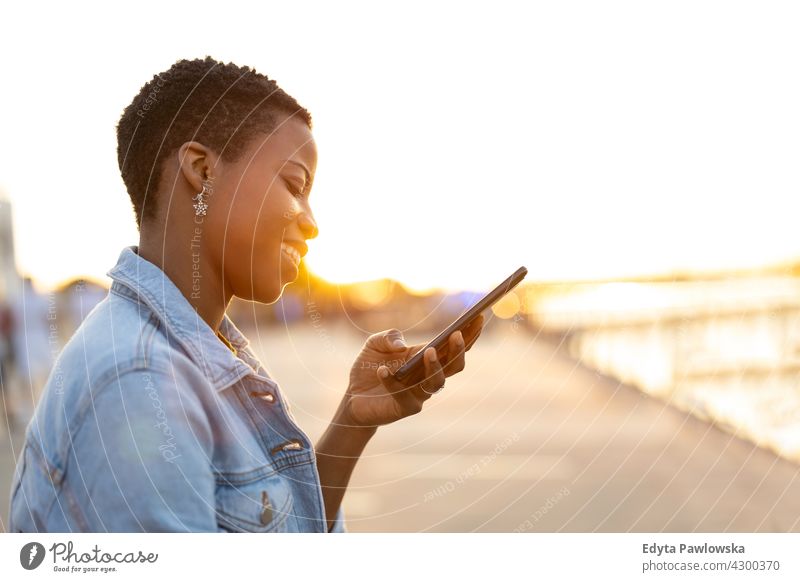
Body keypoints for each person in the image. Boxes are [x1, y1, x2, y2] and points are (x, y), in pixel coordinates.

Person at [7, 56, 484, 532]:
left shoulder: (200, 353)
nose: (311, 222)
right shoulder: (139, 383)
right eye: (296, 185)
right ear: (202, 171)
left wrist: (353, 419)